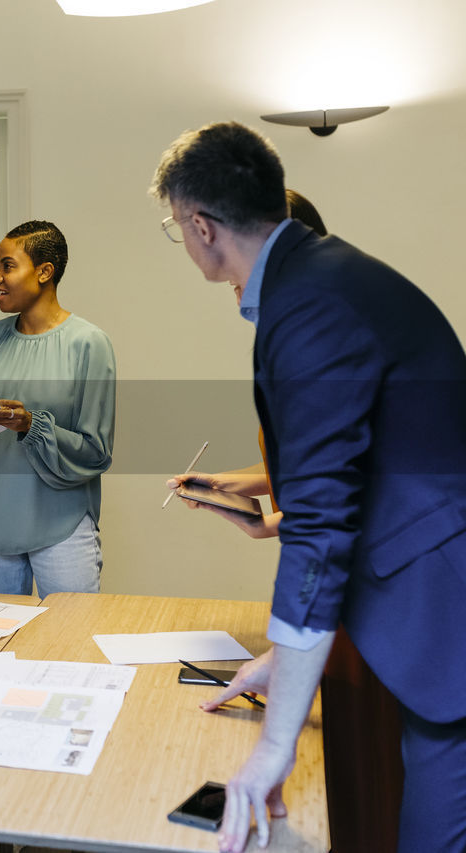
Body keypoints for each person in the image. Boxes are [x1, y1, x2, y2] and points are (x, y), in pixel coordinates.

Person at [150, 120, 466, 853]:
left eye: (175, 227)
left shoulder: (310, 307)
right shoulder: (324, 275)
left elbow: (321, 529)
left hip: (445, 622)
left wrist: (271, 751)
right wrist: (282, 663)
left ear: (201, 226)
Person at [164, 189, 405, 852]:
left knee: (372, 777)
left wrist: (279, 519)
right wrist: (236, 490)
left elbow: (341, 494)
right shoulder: (296, 332)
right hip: (343, 596)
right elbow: (308, 474)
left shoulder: (323, 336)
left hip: (372, 600)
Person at [0, 220, 114, 597]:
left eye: (7, 266)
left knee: (69, 642)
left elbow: (96, 452)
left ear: (44, 272)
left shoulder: (89, 344)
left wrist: (30, 425)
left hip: (61, 524)